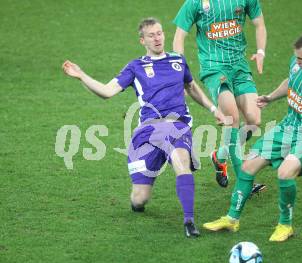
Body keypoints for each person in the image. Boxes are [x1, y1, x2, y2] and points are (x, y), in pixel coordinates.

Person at [62, 18, 225, 238]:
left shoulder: (178, 60)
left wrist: (213, 109)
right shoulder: (135, 67)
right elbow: (107, 91)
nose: (157, 38)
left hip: (177, 126)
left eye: (159, 33)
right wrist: (81, 75)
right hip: (147, 132)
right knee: (140, 197)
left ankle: (189, 221)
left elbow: (192, 86)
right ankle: (137, 204)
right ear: (142, 40)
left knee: (181, 163)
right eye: (151, 35)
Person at [203, 32, 302, 242]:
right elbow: (290, 82)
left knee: (285, 173)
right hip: (286, 128)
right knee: (247, 167)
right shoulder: (297, 65)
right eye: (295, 57)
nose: (296, 62)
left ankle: (285, 225)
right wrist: (270, 97)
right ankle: (232, 219)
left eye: (301, 59)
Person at [173, 0, 267, 193]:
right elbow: (179, 37)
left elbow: (259, 24)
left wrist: (260, 52)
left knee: (254, 120)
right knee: (232, 118)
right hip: (214, 68)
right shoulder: (195, 3)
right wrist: (180, 71)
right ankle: (244, 182)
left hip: (240, 67)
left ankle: (220, 156)